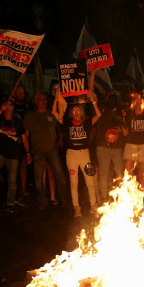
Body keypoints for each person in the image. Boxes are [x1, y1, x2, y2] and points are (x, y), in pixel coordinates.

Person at [52, 85, 100, 217]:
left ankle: (94, 206)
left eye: (78, 110)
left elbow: (99, 114)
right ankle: (77, 208)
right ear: (71, 114)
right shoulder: (67, 123)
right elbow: (54, 113)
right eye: (74, 111)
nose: (76, 113)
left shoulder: (86, 123)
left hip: (84, 154)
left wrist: (93, 101)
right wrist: (57, 98)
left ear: (81, 113)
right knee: (74, 183)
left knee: (90, 181)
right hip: (72, 154)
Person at [24, 91, 70, 209]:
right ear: (36, 101)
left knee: (59, 174)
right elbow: (26, 134)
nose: (43, 101)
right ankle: (42, 200)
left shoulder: (51, 114)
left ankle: (65, 199)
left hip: (52, 150)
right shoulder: (31, 116)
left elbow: (59, 127)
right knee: (39, 178)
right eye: (40, 99)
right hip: (37, 151)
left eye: (44, 99)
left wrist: (59, 138)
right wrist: (27, 151)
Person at [94, 90, 125, 201]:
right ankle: (104, 198)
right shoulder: (100, 109)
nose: (112, 98)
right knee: (103, 173)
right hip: (103, 147)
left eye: (114, 96)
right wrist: (92, 75)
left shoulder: (121, 111)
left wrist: (121, 130)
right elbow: (92, 95)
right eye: (109, 96)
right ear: (105, 98)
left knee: (120, 173)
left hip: (117, 147)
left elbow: (126, 128)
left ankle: (121, 197)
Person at [122, 91, 144, 190]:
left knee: (142, 173)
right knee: (129, 172)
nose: (138, 102)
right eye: (135, 99)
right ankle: (128, 195)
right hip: (131, 145)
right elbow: (125, 133)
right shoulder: (129, 114)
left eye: (139, 100)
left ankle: (140, 196)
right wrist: (123, 118)